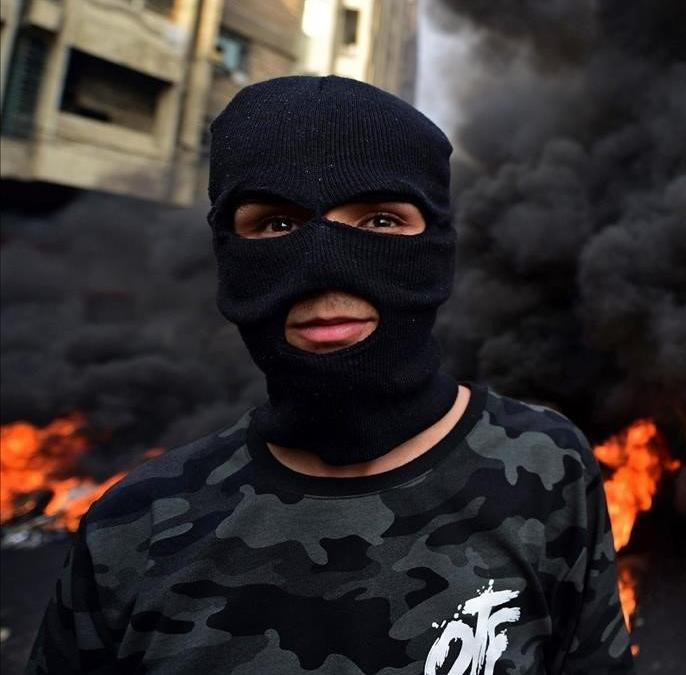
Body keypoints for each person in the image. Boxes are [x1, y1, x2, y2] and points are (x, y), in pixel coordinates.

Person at [26, 76, 634, 674]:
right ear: (226, 255)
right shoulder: (134, 527)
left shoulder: (546, 468)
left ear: (438, 245)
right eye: (276, 224)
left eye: (380, 221)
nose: (324, 266)